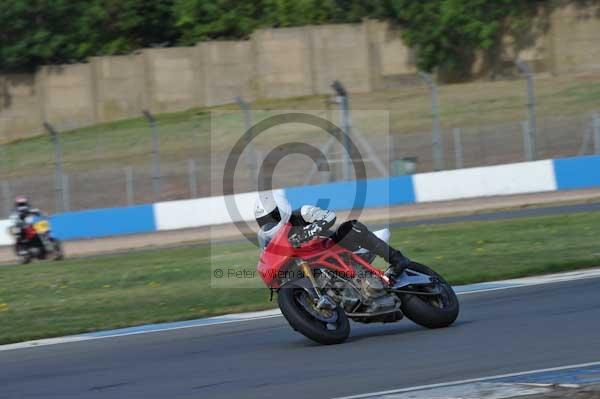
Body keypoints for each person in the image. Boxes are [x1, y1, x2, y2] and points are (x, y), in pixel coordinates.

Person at [254, 191, 411, 280]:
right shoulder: (269, 238)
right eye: (264, 221)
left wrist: (311, 230)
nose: (269, 223)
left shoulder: (302, 213)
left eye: (272, 216)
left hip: (335, 247)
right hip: (308, 262)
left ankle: (397, 259)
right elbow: (268, 255)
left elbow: (329, 216)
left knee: (351, 227)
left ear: (282, 209)